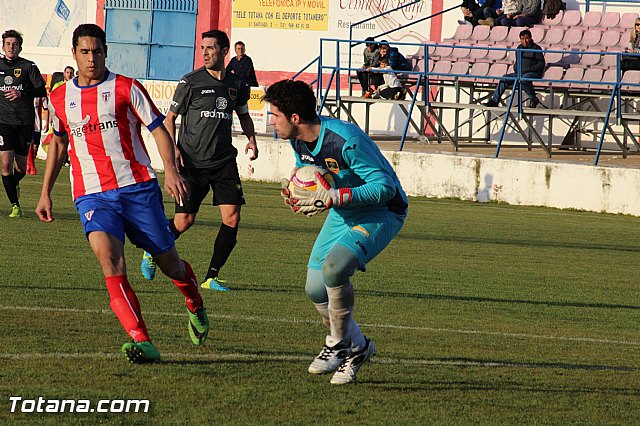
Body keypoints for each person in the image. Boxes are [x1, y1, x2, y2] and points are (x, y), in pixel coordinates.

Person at [35, 23, 209, 364]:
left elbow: (158, 130)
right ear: (74, 54)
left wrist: (171, 170)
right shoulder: (60, 96)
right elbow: (57, 143)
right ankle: (141, 339)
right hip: (92, 195)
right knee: (110, 261)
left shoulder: (126, 88)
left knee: (170, 264)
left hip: (137, 189)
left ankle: (194, 301)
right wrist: (45, 192)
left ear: (105, 52)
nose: (91, 58)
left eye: (97, 51)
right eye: (84, 52)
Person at [264, 80, 408, 385]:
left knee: (334, 269)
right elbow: (312, 174)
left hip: (382, 211)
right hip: (345, 211)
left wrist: (337, 197)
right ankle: (359, 348)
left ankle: (338, 344)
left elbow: (385, 188)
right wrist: (297, 190)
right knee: (315, 289)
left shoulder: (345, 140)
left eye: (274, 115)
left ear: (294, 117)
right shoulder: (297, 140)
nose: (271, 121)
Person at [141, 30, 258, 292]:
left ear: (225, 51)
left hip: (224, 161)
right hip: (192, 163)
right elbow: (169, 119)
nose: (205, 52)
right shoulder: (190, 82)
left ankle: (211, 277)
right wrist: (174, 150)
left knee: (232, 217)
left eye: (211, 48)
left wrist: (252, 138)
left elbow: (244, 115)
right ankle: (152, 249)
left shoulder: (237, 84)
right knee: (184, 221)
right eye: (202, 47)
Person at [0, 29, 47, 217]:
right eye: (8, 43)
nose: (11, 47)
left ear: (20, 47)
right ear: (3, 46)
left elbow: (42, 90)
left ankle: (15, 182)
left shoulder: (28, 67)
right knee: (5, 164)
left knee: (20, 167)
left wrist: (23, 92)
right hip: (3, 121)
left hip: (24, 122)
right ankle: (15, 206)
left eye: (15, 44)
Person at [484, 29, 544, 108]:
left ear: (530, 38)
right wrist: (516, 68)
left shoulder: (536, 48)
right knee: (504, 78)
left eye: (526, 38)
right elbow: (517, 62)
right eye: (522, 39)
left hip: (533, 73)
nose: (525, 41)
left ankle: (533, 98)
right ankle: (494, 101)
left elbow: (541, 64)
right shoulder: (519, 48)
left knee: (524, 79)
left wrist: (529, 69)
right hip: (520, 73)